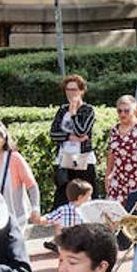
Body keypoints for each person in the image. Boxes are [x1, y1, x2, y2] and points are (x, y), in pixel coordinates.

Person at [0, 120, 41, 228]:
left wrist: (35, 208)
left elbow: (32, 185)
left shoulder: (14, 158)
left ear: (4, 139)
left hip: (15, 219)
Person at [49, 75, 98, 208]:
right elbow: (53, 134)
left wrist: (74, 114)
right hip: (65, 157)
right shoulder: (62, 110)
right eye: (68, 90)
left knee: (85, 195)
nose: (71, 93)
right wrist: (70, 137)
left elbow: (82, 131)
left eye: (74, 90)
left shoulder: (88, 110)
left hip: (83, 157)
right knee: (63, 196)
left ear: (82, 91)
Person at [105, 96, 137, 208]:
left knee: (134, 212)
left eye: (126, 111)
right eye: (119, 111)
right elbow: (111, 154)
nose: (122, 114)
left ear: (135, 111)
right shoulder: (114, 129)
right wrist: (108, 175)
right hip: (118, 179)